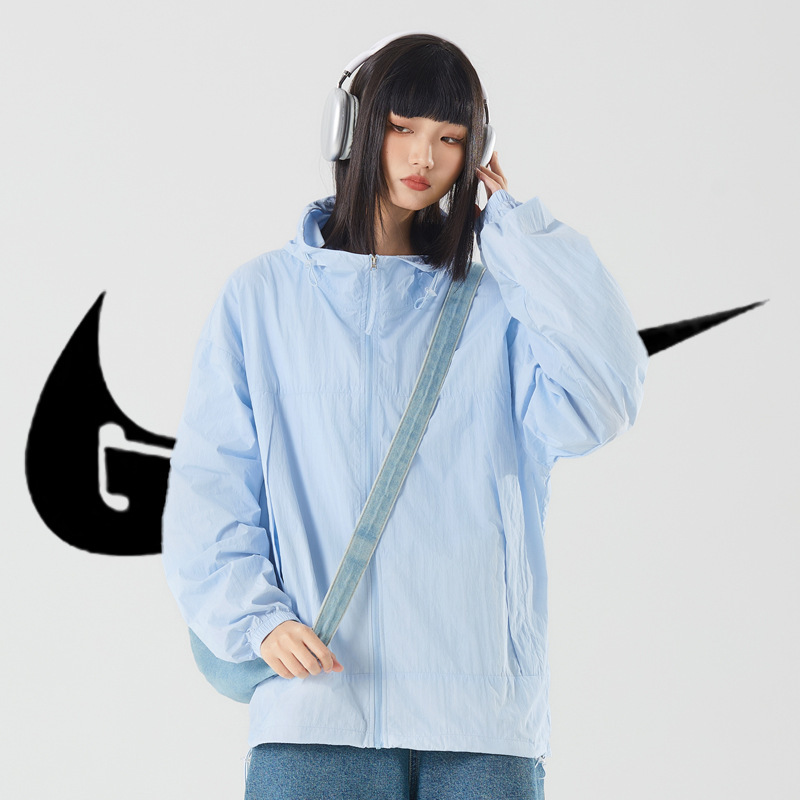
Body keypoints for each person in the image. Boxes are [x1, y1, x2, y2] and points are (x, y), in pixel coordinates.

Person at [161, 32, 648, 800]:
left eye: (450, 138)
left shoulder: (498, 307)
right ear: (354, 128)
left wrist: (516, 231)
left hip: (482, 725)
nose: (424, 156)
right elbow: (211, 487)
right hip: (318, 716)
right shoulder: (262, 299)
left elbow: (605, 397)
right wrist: (255, 619)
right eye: (402, 127)